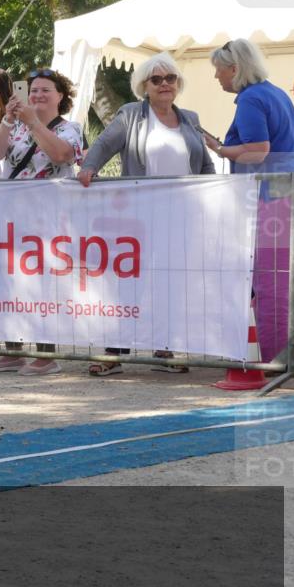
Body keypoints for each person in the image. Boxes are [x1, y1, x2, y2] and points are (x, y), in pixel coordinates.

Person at [78, 52, 215, 377]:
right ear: (144, 85)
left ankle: (164, 347)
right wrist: (89, 166)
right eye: (157, 79)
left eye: (170, 78)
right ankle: (114, 351)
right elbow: (103, 145)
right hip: (138, 216)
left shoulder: (191, 119)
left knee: (170, 282)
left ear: (178, 83)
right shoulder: (130, 115)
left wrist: (214, 194)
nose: (165, 84)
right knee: (128, 283)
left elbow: (205, 165)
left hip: (180, 217)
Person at [205, 39, 294, 369]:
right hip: (291, 194)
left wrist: (220, 150)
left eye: (219, 70)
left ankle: (276, 358)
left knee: (270, 280)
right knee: (292, 279)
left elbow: (258, 150)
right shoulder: (275, 93)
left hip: (271, 198)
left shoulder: (250, 98)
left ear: (234, 69)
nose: (216, 76)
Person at [0, 67, 84, 376]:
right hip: (12, 217)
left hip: (50, 218)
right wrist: (7, 121)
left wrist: (34, 123)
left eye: (45, 90)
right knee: (7, 281)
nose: (38, 95)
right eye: (34, 90)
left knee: (44, 285)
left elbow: (61, 154)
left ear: (60, 96)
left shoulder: (70, 128)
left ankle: (45, 354)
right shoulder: (15, 127)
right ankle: (12, 351)